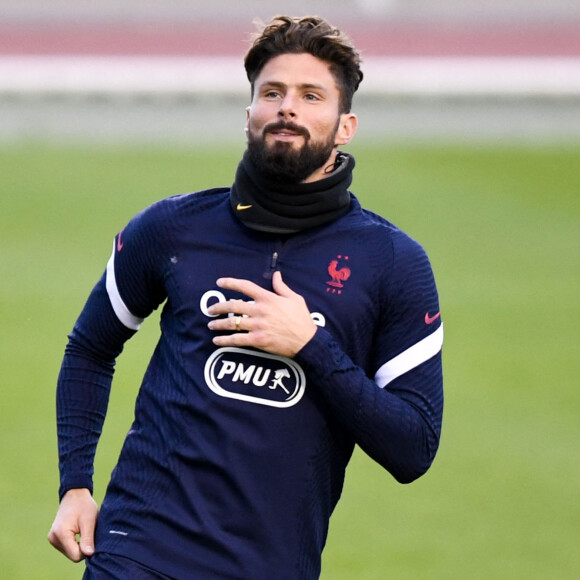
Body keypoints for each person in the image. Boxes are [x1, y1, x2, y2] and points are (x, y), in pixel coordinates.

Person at [48, 14, 444, 579]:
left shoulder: (394, 263)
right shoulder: (172, 228)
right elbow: (90, 348)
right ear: (250, 112)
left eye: (312, 96)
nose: (288, 107)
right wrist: (75, 484)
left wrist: (310, 344)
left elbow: (414, 448)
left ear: (345, 125)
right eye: (273, 92)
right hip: (137, 553)